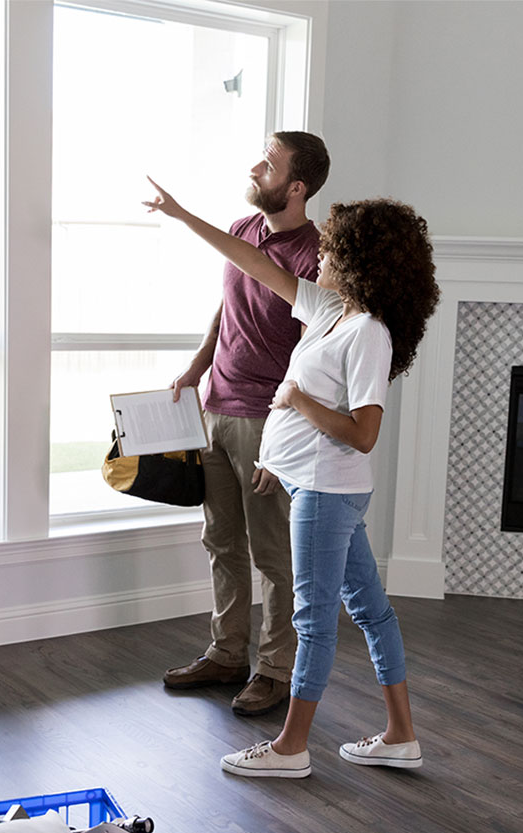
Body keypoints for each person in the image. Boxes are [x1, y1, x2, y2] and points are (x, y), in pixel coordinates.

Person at [143, 179, 440, 778]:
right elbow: (250, 260)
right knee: (371, 610)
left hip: (329, 490)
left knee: (313, 617)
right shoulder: (330, 311)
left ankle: (290, 749)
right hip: (312, 482)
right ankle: (401, 735)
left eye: (331, 249)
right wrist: (182, 216)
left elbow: (362, 432)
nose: (320, 257)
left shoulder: (368, 334)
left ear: (357, 262)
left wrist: (298, 402)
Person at [161, 132, 331, 717]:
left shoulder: (317, 256)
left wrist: (283, 441)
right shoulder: (241, 230)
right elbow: (225, 309)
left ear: (297, 186)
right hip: (217, 408)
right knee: (220, 542)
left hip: (268, 423)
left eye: (269, 162)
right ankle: (226, 652)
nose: (255, 167)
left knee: (272, 554)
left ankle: (276, 669)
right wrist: (196, 366)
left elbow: (312, 357)